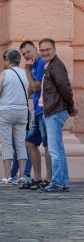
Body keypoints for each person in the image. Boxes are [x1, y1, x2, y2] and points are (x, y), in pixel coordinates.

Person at [38, 38, 78, 192]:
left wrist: (71, 106)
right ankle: (63, 182)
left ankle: (57, 183)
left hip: (55, 111)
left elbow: (65, 87)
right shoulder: (50, 66)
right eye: (42, 50)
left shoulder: (56, 66)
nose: (45, 52)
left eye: (47, 49)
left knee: (54, 150)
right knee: (58, 149)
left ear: (54, 49)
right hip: (52, 110)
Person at [18, 40, 51, 190]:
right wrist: (30, 78)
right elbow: (30, 90)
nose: (26, 55)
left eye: (28, 51)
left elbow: (37, 87)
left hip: (45, 110)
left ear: (35, 49)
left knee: (47, 145)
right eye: (23, 53)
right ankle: (37, 178)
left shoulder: (40, 64)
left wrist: (27, 72)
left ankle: (49, 179)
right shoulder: (33, 66)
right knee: (30, 143)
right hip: (37, 111)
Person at [0, 50, 29, 185]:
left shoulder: (5, 73)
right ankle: (22, 177)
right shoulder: (25, 74)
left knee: (7, 143)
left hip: (6, 111)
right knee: (21, 143)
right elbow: (29, 92)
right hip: (22, 111)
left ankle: (7, 177)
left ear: (8, 60)